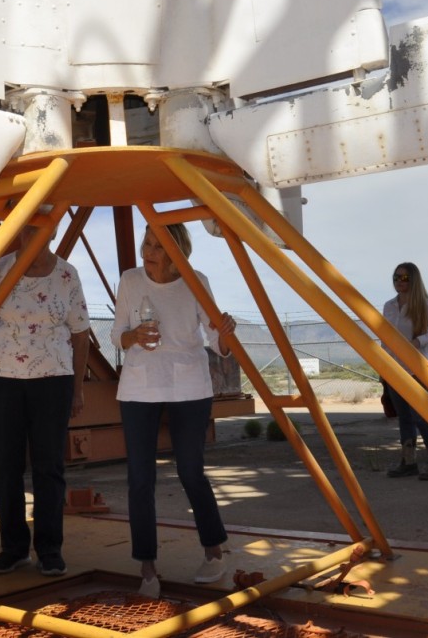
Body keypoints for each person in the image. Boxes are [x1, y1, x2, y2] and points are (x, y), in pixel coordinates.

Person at [111, 223, 236, 599]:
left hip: (188, 384)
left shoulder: (196, 280)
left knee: (190, 470)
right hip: (138, 385)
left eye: (157, 246)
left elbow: (218, 343)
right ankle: (147, 568)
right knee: (140, 477)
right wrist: (133, 337)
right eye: (146, 243)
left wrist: (226, 332)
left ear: (177, 251)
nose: (147, 251)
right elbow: (118, 333)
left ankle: (214, 552)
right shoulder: (130, 280)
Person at [0, 213, 90, 578]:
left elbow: (81, 333)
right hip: (0, 380)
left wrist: (78, 388)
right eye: (27, 226)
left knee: (48, 466)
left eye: (41, 226)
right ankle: (13, 548)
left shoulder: (67, 275)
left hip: (53, 381)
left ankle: (50, 549)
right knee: (4, 466)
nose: (33, 233)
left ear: (53, 231)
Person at [381, 262, 428, 480]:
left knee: (420, 416)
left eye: (405, 278)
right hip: (393, 369)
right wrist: (383, 365)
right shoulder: (389, 306)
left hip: (417, 370)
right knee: (404, 417)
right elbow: (385, 337)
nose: (399, 282)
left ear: (414, 280)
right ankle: (409, 462)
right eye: (396, 277)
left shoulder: (425, 305)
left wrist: (420, 341)